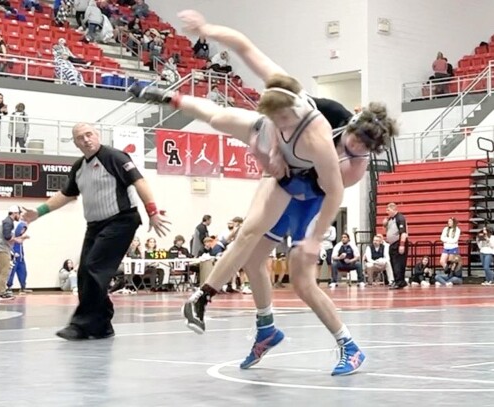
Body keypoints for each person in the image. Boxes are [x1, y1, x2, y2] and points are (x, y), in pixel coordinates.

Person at [132, 10, 397, 376]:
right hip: (284, 168)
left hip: (308, 194)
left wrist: (314, 238)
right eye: (349, 143)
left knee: (302, 281)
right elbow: (246, 48)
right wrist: (207, 30)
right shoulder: (298, 105)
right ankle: (266, 328)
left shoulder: (343, 158)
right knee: (253, 257)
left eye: (356, 151)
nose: (348, 151)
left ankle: (349, 346)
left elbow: (330, 194)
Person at [22, 123, 170, 341]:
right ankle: (102, 325)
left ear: (97, 135)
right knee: (84, 273)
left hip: (121, 221)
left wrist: (153, 212)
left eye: (89, 134)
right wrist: (39, 212)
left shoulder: (114, 157)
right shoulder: (79, 167)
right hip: (95, 225)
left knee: (94, 267)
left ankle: (81, 325)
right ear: (75, 143)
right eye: (80, 138)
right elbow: (66, 194)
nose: (86, 140)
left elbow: (139, 181)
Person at [0, 205, 27, 300]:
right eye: (19, 214)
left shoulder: (6, 221)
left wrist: (17, 239)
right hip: (1, 249)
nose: (19, 216)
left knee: (0, 272)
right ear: (14, 213)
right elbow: (7, 237)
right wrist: (18, 240)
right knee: (5, 271)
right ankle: (2, 292)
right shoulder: (8, 222)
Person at [383, 203, 408, 289]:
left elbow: (403, 233)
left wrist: (402, 245)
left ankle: (399, 281)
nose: (387, 212)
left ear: (393, 209)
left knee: (398, 263)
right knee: (394, 263)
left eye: (388, 210)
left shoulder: (400, 218)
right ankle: (398, 281)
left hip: (398, 243)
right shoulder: (390, 219)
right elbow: (387, 229)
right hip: (392, 244)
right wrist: (385, 223)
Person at [6, 221, 32, 294]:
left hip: (20, 258)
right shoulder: (13, 236)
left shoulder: (20, 237)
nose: (23, 231)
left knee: (23, 272)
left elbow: (20, 241)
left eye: (24, 229)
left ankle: (23, 287)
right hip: (14, 258)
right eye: (22, 229)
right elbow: (13, 241)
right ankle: (9, 287)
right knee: (11, 273)